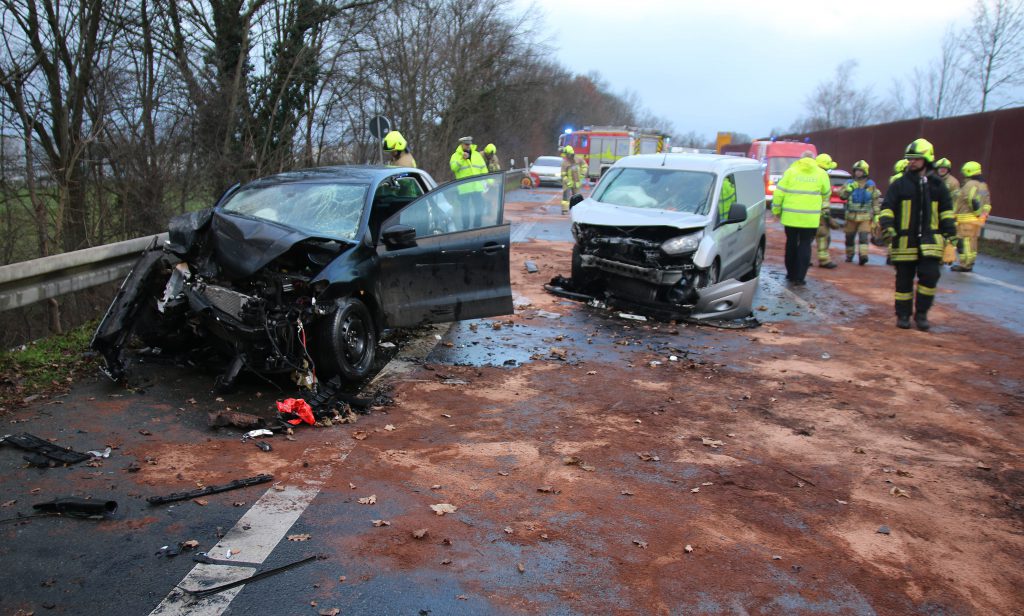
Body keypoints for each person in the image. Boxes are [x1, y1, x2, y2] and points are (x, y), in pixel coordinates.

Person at [878, 138, 956, 330]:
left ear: (927, 159)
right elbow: (887, 207)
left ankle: (921, 314)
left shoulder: (938, 186)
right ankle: (903, 315)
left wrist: (951, 233)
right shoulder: (899, 184)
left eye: (916, 158)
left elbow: (946, 211)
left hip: (931, 241)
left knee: (929, 277)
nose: (911, 162)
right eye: (909, 159)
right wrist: (888, 226)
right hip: (904, 240)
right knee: (903, 281)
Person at [772, 152, 832, 285]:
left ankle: (790, 273)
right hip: (810, 218)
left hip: (790, 217)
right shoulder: (821, 174)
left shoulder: (791, 171)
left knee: (791, 243)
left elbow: (779, 192)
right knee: (805, 244)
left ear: (801, 159)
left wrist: (776, 209)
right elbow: (827, 193)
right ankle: (800, 277)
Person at [950, 161, 992, 272]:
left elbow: (972, 199)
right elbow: (987, 203)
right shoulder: (983, 185)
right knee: (972, 242)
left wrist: (977, 212)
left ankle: (965, 264)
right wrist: (982, 216)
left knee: (965, 242)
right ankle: (970, 262)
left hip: (966, 219)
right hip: (976, 220)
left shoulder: (970, 184)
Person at [839, 160, 881, 265]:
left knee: (863, 236)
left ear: (865, 172)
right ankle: (849, 255)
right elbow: (842, 196)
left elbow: (875, 200)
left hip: (865, 216)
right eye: (856, 171)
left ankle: (863, 256)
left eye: (860, 171)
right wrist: (848, 190)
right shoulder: (849, 183)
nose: (858, 173)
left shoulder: (870, 185)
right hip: (850, 216)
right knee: (849, 237)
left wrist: (877, 215)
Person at [449, 136, 489, 228]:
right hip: (464, 189)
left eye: (469, 144)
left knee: (480, 207)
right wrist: (462, 159)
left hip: (477, 187)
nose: (468, 146)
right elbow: (453, 168)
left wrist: (488, 181)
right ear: (462, 144)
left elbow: (484, 169)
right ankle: (466, 228)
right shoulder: (455, 156)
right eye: (466, 144)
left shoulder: (477, 155)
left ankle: (477, 226)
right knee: (465, 210)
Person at [814, 153, 840, 269]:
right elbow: (824, 197)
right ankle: (824, 260)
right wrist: (826, 214)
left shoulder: (811, 175)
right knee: (823, 235)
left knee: (805, 238)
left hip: (806, 213)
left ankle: (802, 260)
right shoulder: (822, 177)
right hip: (818, 214)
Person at [560, 145, 582, 215]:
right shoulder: (564, 162)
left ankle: (576, 210)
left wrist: (581, 176)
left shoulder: (578, 160)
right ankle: (565, 210)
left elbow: (584, 167)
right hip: (567, 183)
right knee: (565, 197)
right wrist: (568, 182)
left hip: (576, 183)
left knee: (576, 197)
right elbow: (563, 175)